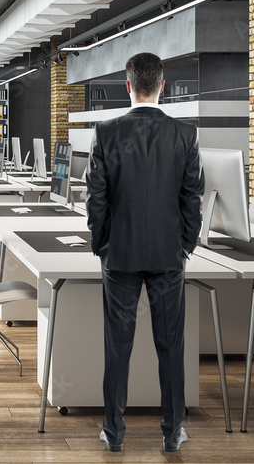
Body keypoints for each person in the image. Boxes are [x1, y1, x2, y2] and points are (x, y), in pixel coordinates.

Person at [84, 52, 204, 453]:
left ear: (128, 86)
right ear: (163, 86)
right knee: (171, 344)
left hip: (119, 255)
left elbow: (96, 200)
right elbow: (192, 198)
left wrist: (101, 244)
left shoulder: (105, 132)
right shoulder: (185, 134)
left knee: (117, 344)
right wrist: (185, 244)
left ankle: (114, 433)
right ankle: (172, 433)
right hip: (169, 255)